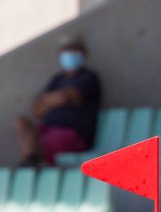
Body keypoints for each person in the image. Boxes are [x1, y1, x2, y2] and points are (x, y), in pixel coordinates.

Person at [14, 38, 102, 166]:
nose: (69, 56)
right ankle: (32, 160)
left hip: (73, 134)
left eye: (74, 51)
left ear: (84, 54)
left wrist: (48, 100)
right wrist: (57, 99)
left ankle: (34, 161)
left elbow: (65, 98)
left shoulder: (89, 77)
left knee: (44, 142)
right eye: (66, 52)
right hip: (48, 129)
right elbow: (37, 109)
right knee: (21, 123)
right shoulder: (58, 79)